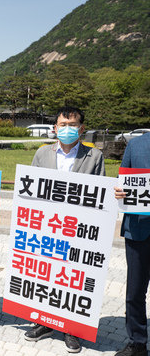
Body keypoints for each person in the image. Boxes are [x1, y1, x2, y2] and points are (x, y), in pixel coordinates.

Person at [25, 106, 105, 353]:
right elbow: (31, 189)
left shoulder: (94, 156)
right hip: (47, 227)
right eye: (62, 124)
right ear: (55, 127)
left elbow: (100, 193)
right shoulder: (42, 154)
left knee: (73, 278)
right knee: (47, 273)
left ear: (81, 128)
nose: (66, 129)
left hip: (77, 229)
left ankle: (71, 329)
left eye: (72, 125)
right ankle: (44, 322)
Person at [114, 132, 150, 356]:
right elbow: (121, 183)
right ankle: (137, 342)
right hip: (138, 229)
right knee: (135, 291)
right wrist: (119, 192)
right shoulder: (136, 145)